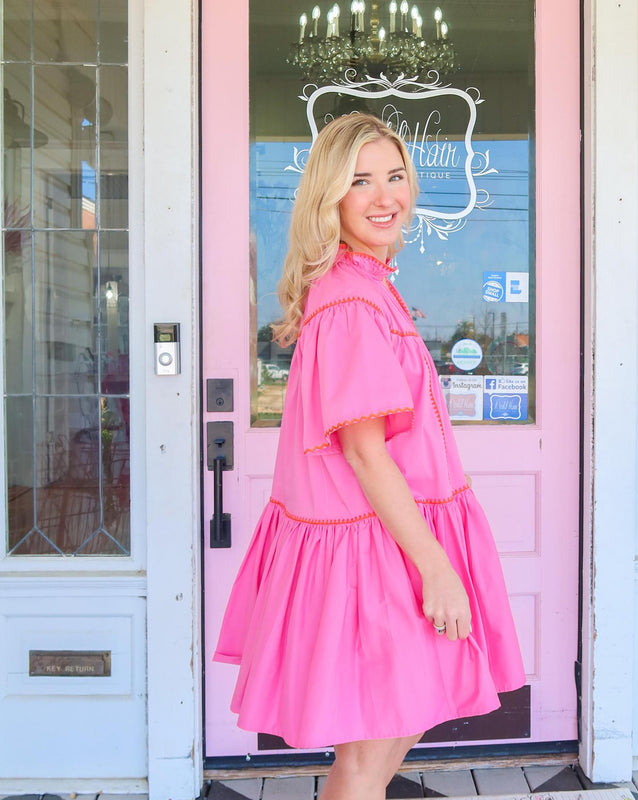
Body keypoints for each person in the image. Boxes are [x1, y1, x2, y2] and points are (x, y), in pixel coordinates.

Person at [214, 112, 525, 800]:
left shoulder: (368, 287)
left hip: (387, 546)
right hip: (377, 557)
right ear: (331, 199)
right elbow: (364, 454)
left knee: (386, 745)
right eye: (360, 181)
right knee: (365, 762)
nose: (385, 196)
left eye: (394, 176)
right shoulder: (351, 301)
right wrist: (438, 570)